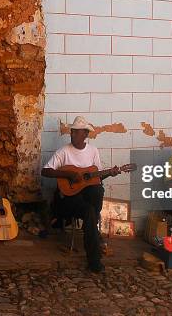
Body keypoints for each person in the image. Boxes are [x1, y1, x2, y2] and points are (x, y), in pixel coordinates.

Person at [41, 116, 120, 273]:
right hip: (69, 198)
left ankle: (91, 236)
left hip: (87, 198)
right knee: (90, 212)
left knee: (97, 191)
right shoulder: (63, 151)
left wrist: (110, 173)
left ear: (85, 134)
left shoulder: (93, 151)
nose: (73, 135)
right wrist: (69, 174)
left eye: (77, 132)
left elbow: (95, 176)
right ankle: (94, 252)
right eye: (72, 132)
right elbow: (45, 171)